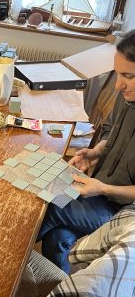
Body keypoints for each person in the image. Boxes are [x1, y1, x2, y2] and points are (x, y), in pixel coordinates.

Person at [37, 30, 135, 273]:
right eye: (118, 73)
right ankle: (55, 285)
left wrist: (103, 188)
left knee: (51, 205)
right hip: (99, 193)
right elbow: (111, 132)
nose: (118, 84)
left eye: (128, 76)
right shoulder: (127, 96)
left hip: (124, 215)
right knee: (58, 237)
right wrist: (96, 152)